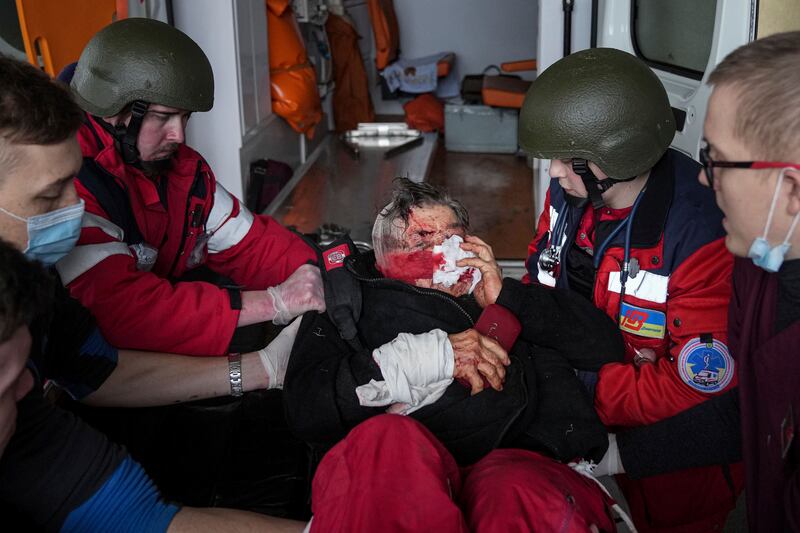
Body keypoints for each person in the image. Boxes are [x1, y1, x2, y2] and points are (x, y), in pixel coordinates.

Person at [0, 53, 309, 524]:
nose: (74, 209)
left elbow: (142, 512)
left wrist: (260, 368)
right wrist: (273, 304)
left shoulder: (37, 294)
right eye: (50, 195)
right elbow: (127, 312)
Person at [519, 47, 743, 531]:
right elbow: (541, 269)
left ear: (617, 153)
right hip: (582, 420)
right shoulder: (574, 189)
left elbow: (697, 384)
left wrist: (582, 389)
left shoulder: (700, 234)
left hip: (674, 470)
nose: (553, 171)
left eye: (566, 158)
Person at [591, 31, 800, 532]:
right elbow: (745, 412)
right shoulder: (760, 275)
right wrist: (618, 454)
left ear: (790, 186)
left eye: (719, 161)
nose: (705, 180)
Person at [284, 178, 624, 464]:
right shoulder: (348, 306)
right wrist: (428, 356)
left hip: (540, 461)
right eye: (421, 241)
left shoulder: (492, 296)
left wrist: (508, 297)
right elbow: (306, 410)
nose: (443, 256)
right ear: (383, 256)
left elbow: (605, 346)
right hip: (432, 472)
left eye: (453, 241)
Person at [58, 17, 322, 356]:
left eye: (184, 117)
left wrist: (324, 269)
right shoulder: (69, 182)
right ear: (116, 110)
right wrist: (274, 302)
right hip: (92, 371)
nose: (179, 135)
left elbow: (251, 244)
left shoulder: (184, 173)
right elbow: (122, 310)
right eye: (164, 116)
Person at [0, 240, 308, 531]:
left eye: (25, 369)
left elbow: (138, 519)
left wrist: (262, 368)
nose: (30, 385)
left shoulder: (23, 416)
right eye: (5, 382)